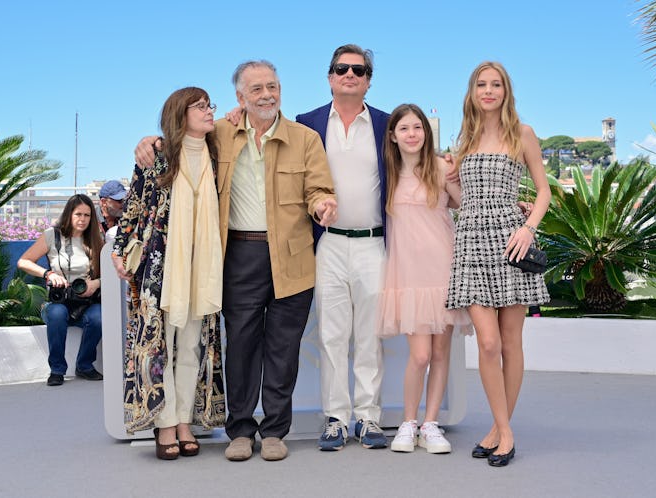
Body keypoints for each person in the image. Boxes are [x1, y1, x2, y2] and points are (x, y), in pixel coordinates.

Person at [134, 60, 337, 462]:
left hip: (292, 257)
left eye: (273, 86)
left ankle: (275, 431)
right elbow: (179, 142)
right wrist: (149, 141)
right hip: (238, 255)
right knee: (241, 345)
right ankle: (241, 431)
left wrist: (323, 204)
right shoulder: (220, 133)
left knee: (283, 348)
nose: (267, 94)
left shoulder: (306, 137)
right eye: (257, 89)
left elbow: (318, 186)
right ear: (240, 98)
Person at [446, 61, 551, 467]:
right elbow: (460, 196)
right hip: (471, 241)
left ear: (506, 91)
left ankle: (498, 429)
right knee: (487, 343)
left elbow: (543, 191)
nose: (488, 91)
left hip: (511, 240)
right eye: (481, 84)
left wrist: (528, 227)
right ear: (472, 92)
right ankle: (505, 430)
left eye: (496, 84)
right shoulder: (465, 139)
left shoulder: (521, 134)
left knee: (510, 343)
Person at [113, 87, 224, 460]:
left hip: (203, 266)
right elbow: (133, 204)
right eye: (201, 106)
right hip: (162, 268)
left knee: (193, 345)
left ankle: (183, 422)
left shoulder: (217, 152)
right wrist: (118, 250)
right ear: (181, 114)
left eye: (211, 105)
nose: (210, 111)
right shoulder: (158, 156)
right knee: (163, 346)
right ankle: (165, 425)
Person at [295, 44, 390, 451]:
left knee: (370, 335)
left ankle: (369, 419)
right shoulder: (306, 124)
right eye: (341, 68)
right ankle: (336, 417)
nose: (350, 74)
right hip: (327, 244)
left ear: (369, 79)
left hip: (374, 242)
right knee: (332, 336)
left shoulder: (388, 124)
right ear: (330, 76)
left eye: (359, 69)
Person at [378, 104, 472, 454]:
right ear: (393, 135)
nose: (412, 134)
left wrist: (456, 178)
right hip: (408, 275)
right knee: (418, 355)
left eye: (417, 127)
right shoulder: (387, 172)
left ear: (426, 132)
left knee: (440, 352)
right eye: (404, 128)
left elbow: (466, 205)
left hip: (444, 269)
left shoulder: (442, 167)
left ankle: (431, 424)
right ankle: (408, 422)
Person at [17, 194, 104, 386]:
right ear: (69, 214)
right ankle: (57, 370)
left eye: (87, 215)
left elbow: (111, 273)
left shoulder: (97, 239)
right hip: (59, 300)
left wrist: (95, 284)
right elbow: (23, 261)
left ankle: (85, 365)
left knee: (99, 317)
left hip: (87, 300)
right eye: (78, 214)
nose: (82, 219)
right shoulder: (52, 235)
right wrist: (48, 274)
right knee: (56, 314)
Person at [97, 179, 127, 244]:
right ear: (104, 202)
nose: (123, 204)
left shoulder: (126, 219)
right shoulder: (91, 220)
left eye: (125, 200)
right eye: (119, 201)